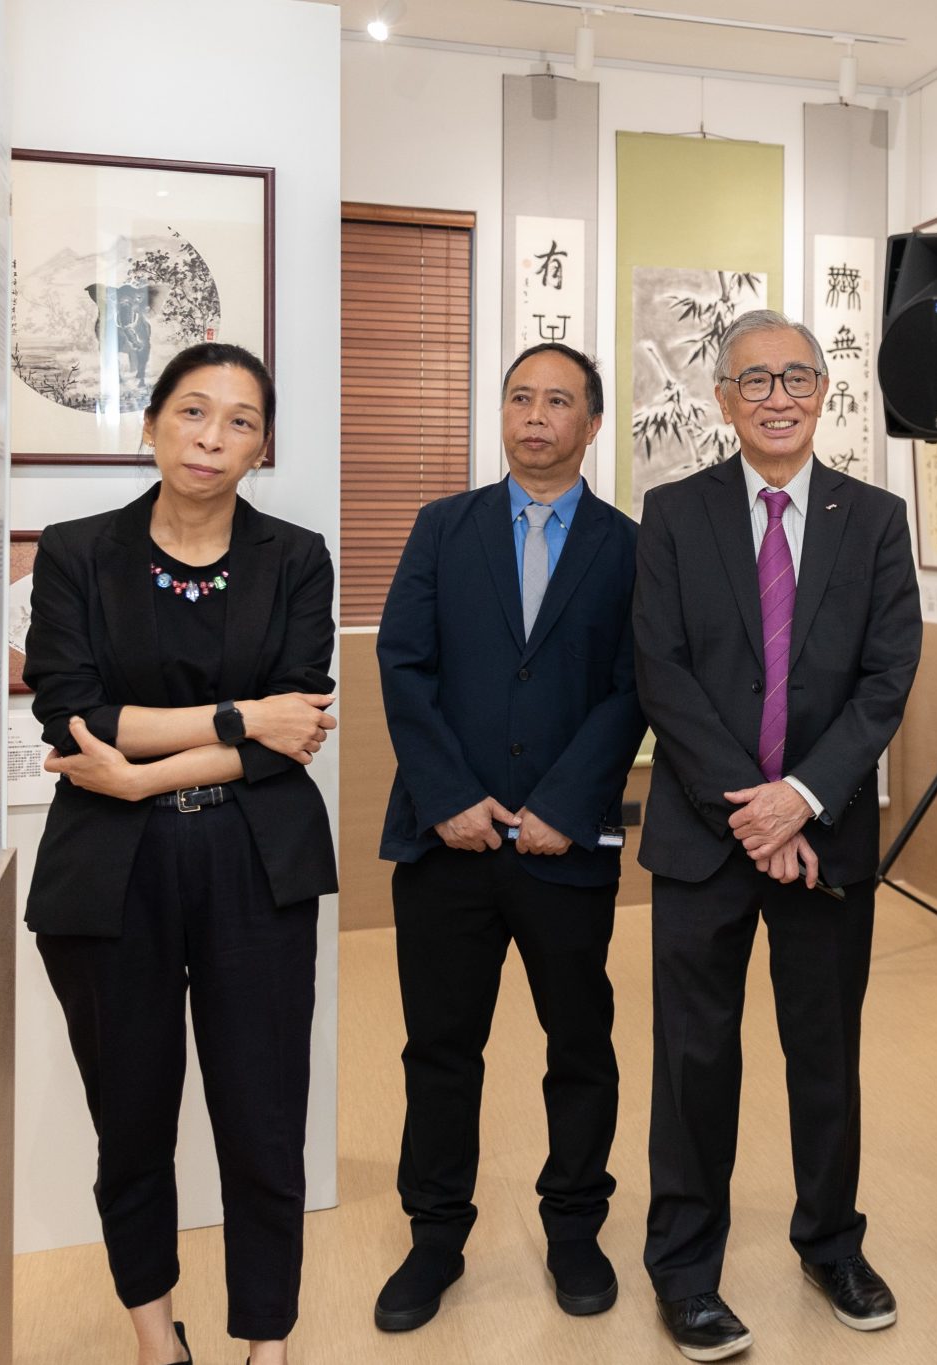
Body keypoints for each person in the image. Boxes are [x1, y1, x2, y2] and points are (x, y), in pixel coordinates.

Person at [23, 342, 339, 1365]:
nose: (212, 437)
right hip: (111, 876)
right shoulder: (77, 553)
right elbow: (75, 714)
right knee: (130, 1120)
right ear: (152, 423)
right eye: (193, 412)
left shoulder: (296, 558)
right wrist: (240, 715)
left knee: (263, 1113)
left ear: (262, 446)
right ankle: (157, 1341)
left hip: (256, 864)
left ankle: (267, 1343)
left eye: (240, 421)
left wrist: (140, 774)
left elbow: (298, 730)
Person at [633, 309, 921, 1361]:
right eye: (754, 380)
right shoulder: (673, 513)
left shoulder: (873, 518)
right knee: (693, 1058)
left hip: (824, 833)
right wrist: (754, 809)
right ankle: (684, 1268)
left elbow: (888, 674)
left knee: (825, 1052)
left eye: (797, 377)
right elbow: (660, 669)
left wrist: (801, 795)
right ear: (723, 399)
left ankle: (830, 1243)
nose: (778, 397)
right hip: (705, 835)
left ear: (824, 391)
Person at [371, 342, 645, 1332]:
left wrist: (567, 806)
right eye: (520, 398)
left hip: (564, 847)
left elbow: (634, 686)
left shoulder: (629, 547)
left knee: (580, 1045)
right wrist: (448, 795)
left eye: (557, 401)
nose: (535, 416)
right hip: (447, 842)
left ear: (591, 424)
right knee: (441, 1049)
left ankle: (574, 1226)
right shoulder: (442, 527)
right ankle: (434, 1236)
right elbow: (402, 664)